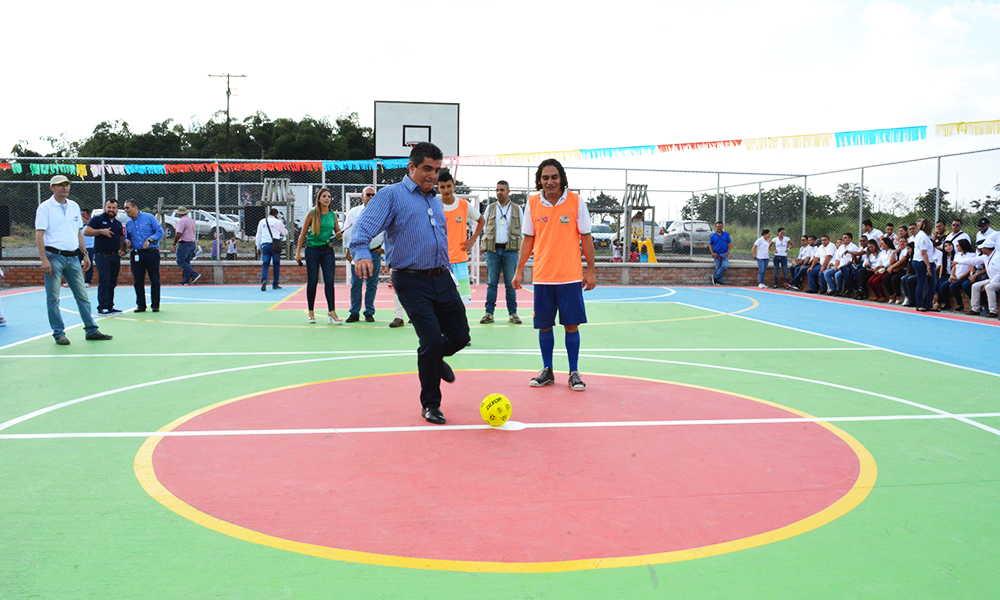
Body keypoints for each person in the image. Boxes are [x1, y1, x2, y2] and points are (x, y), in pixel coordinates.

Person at [350, 142, 470, 425]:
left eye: (437, 169)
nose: (433, 175)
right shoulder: (391, 196)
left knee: (460, 336)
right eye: (427, 168)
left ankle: (434, 358)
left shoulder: (434, 200)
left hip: (442, 277)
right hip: (410, 280)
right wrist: (361, 254)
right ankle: (431, 404)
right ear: (412, 167)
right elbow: (363, 229)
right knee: (429, 339)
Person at [511, 158, 596, 392]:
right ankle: (547, 370)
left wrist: (591, 270)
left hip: (569, 277)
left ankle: (574, 372)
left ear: (562, 178)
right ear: (539, 180)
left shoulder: (576, 202)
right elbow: (528, 239)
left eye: (554, 177)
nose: (550, 181)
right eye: (545, 177)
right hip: (543, 277)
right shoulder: (532, 203)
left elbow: (586, 237)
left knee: (571, 325)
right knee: (544, 326)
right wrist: (519, 271)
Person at [35, 175, 112, 344]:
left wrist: (84, 254)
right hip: (53, 256)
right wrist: (44, 259)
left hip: (73, 257)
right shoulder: (45, 207)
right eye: (60, 185)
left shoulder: (74, 206)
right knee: (53, 298)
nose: (65, 188)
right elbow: (39, 234)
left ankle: (91, 330)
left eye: (67, 185)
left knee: (82, 295)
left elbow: (78, 232)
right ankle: (58, 333)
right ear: (52, 188)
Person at [294, 187, 343, 325]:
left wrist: (339, 235)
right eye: (324, 196)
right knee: (313, 280)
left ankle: (331, 311)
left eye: (329, 196)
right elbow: (303, 234)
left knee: (329, 280)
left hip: (327, 250)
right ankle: (311, 312)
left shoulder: (333, 215)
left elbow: (338, 233)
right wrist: (298, 252)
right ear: (319, 199)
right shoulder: (312, 214)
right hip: (312, 250)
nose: (327, 198)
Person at [480, 180, 523, 324]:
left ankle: (513, 313)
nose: (499, 192)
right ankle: (488, 313)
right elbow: (484, 228)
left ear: (508, 191)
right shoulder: (490, 208)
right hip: (493, 251)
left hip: (510, 251)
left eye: (502, 190)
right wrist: (482, 246)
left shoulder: (517, 209)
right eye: (497, 190)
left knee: (510, 283)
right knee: (492, 283)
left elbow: (522, 230)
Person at [439, 171, 485, 306]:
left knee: (461, 302)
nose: (446, 190)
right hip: (441, 261)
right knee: (441, 302)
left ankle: (458, 327)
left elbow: (481, 220)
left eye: (448, 186)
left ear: (454, 185)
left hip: (460, 261)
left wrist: (473, 240)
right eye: (442, 187)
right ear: (438, 188)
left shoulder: (463, 205)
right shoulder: (435, 205)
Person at [343, 186, 384, 323]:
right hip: (358, 253)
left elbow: (388, 231)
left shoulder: (382, 213)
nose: (371, 197)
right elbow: (347, 232)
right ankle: (354, 312)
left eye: (373, 195)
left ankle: (369, 312)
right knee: (356, 283)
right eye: (368, 195)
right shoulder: (354, 212)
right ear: (362, 196)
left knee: (372, 284)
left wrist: (383, 248)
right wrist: (348, 250)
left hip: (374, 252)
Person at [83, 197, 126, 314]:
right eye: (109, 207)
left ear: (117, 209)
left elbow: (121, 238)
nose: (111, 210)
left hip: (115, 256)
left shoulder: (117, 224)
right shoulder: (97, 220)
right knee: (104, 282)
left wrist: (123, 249)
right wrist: (101, 231)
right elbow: (86, 231)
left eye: (114, 208)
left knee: (112, 282)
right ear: (105, 207)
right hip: (102, 256)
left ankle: (110, 305)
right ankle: (102, 306)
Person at [123, 199, 164, 313]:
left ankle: (155, 305)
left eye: (128, 208)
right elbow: (127, 236)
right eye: (125, 208)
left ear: (135, 207)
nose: (126, 210)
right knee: (138, 280)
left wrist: (150, 240)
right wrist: (127, 241)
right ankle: (141, 305)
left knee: (154, 279)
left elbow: (160, 232)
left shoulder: (149, 218)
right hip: (137, 254)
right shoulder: (128, 223)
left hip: (151, 252)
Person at [255, 208, 287, 291]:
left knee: (265, 264)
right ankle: (275, 283)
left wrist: (258, 247)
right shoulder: (278, 222)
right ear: (276, 214)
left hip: (265, 244)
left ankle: (264, 280)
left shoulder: (262, 221)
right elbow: (285, 233)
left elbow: (258, 235)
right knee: (276, 264)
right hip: (275, 244)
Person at [967, 238, 999, 318]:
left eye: (982, 248)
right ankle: (975, 309)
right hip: (992, 279)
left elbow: (999, 274)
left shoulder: (997, 257)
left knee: (989, 287)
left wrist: (990, 283)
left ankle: (993, 311)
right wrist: (958, 262)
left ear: (987, 249)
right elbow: (974, 261)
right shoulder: (986, 256)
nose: (981, 250)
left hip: (997, 280)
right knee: (975, 286)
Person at [172, 206, 200, 285]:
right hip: (192, 243)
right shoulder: (191, 220)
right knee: (186, 262)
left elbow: (179, 233)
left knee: (180, 261)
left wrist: (174, 243)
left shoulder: (182, 221)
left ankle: (194, 274)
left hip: (185, 243)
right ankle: (185, 280)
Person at [709, 221, 732, 285]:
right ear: (716, 227)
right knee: (717, 268)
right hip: (716, 254)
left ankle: (715, 276)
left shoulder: (726, 235)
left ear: (722, 227)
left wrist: (728, 252)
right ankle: (719, 282)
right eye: (718, 227)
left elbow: (730, 244)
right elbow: (710, 245)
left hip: (724, 254)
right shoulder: (713, 236)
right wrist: (712, 253)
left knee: (724, 266)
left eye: (720, 227)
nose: (719, 228)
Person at [80, 209, 96, 286]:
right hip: (79, 246)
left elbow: (88, 223)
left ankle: (88, 281)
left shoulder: (92, 222)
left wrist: (83, 219)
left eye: (84, 214)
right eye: (81, 215)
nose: (82, 216)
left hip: (89, 246)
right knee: (75, 264)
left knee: (88, 263)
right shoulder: (79, 224)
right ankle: (75, 281)